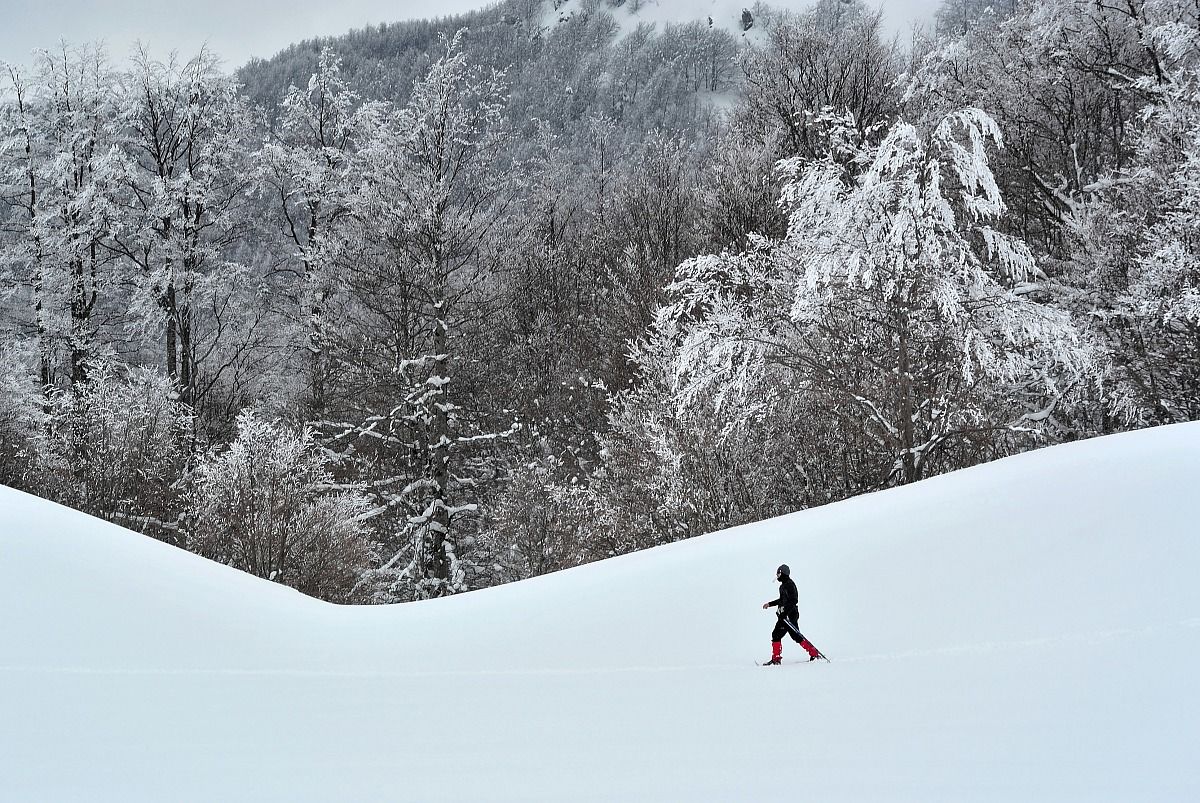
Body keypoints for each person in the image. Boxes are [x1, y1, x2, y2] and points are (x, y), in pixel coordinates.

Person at [762, 563, 822, 664]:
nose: (777, 576)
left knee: (794, 636)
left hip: (789, 615)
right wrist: (770, 604)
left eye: (778, 574)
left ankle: (814, 654)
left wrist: (785, 613)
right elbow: (782, 599)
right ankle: (776, 658)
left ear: (783, 573)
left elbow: (794, 600)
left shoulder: (790, 584)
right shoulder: (782, 586)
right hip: (784, 616)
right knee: (778, 635)